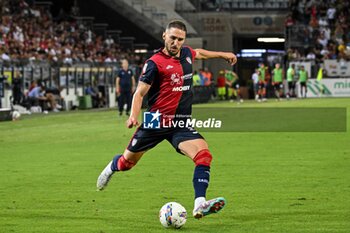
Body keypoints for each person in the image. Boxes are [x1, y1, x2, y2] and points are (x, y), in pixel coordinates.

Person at [97, 20, 237, 219]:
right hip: (155, 121)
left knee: (203, 155)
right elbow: (139, 93)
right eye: (172, 38)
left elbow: (200, 52)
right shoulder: (154, 63)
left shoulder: (187, 54)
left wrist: (223, 55)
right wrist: (133, 116)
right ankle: (112, 167)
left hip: (180, 122)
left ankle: (200, 203)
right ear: (164, 36)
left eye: (180, 39)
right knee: (127, 163)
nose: (176, 43)